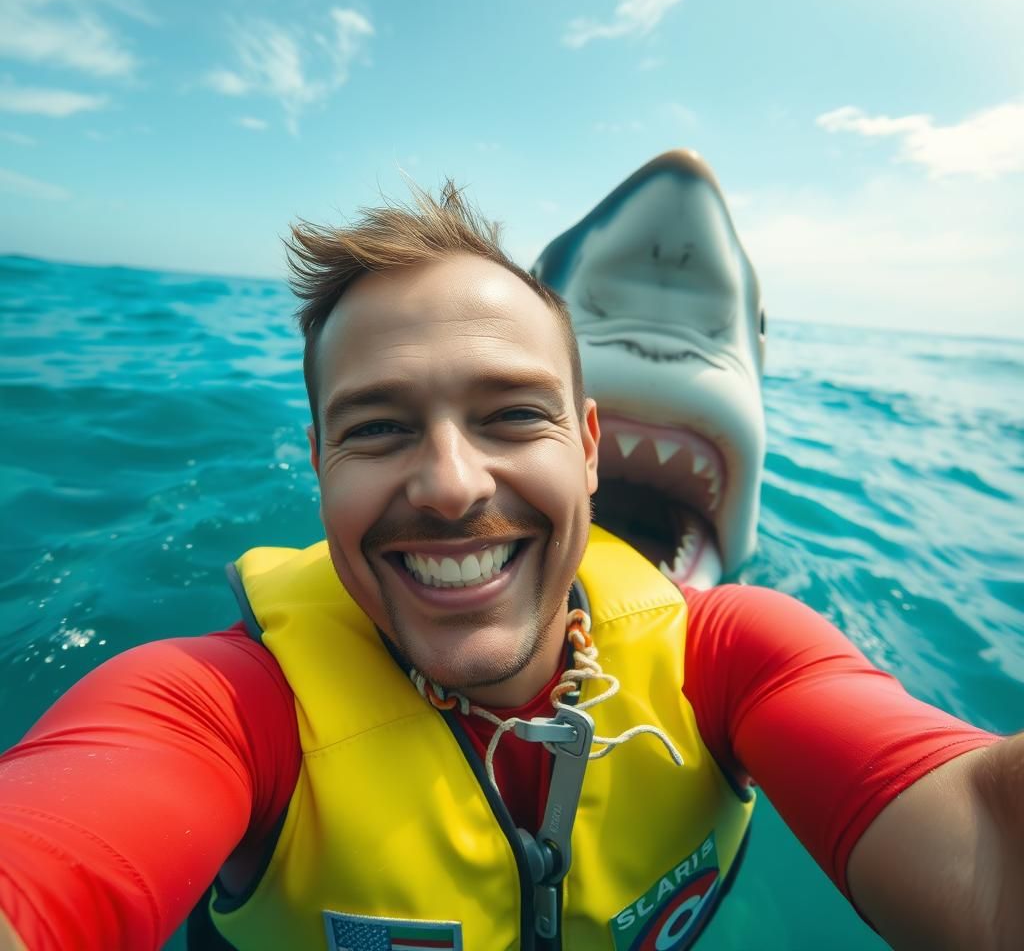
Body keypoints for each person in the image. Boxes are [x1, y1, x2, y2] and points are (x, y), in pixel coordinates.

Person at [0, 183, 1020, 951]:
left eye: (512, 414)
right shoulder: (220, 707)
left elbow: (979, 832)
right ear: (318, 464)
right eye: (380, 426)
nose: (449, 485)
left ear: (588, 445)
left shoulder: (735, 655)